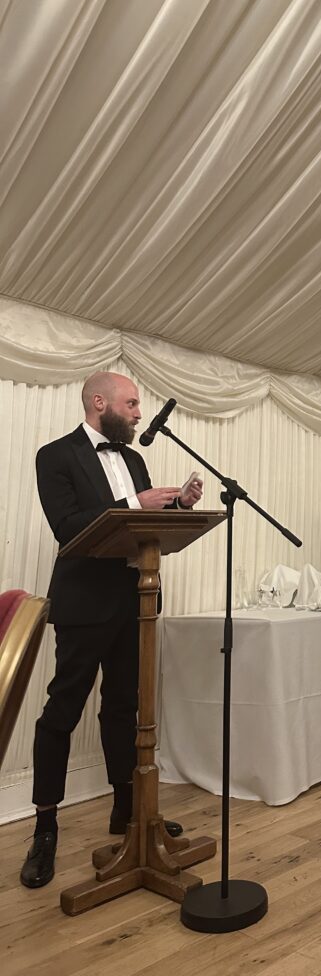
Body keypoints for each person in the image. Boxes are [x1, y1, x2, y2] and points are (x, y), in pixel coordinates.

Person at [20, 372, 203, 889]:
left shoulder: (135, 460)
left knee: (125, 708)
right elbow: (68, 527)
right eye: (132, 403)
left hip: (134, 600)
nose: (140, 413)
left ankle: (128, 812)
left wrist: (177, 505)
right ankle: (45, 829)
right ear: (100, 402)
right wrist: (137, 504)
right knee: (62, 711)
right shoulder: (55, 455)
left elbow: (138, 526)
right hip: (84, 603)